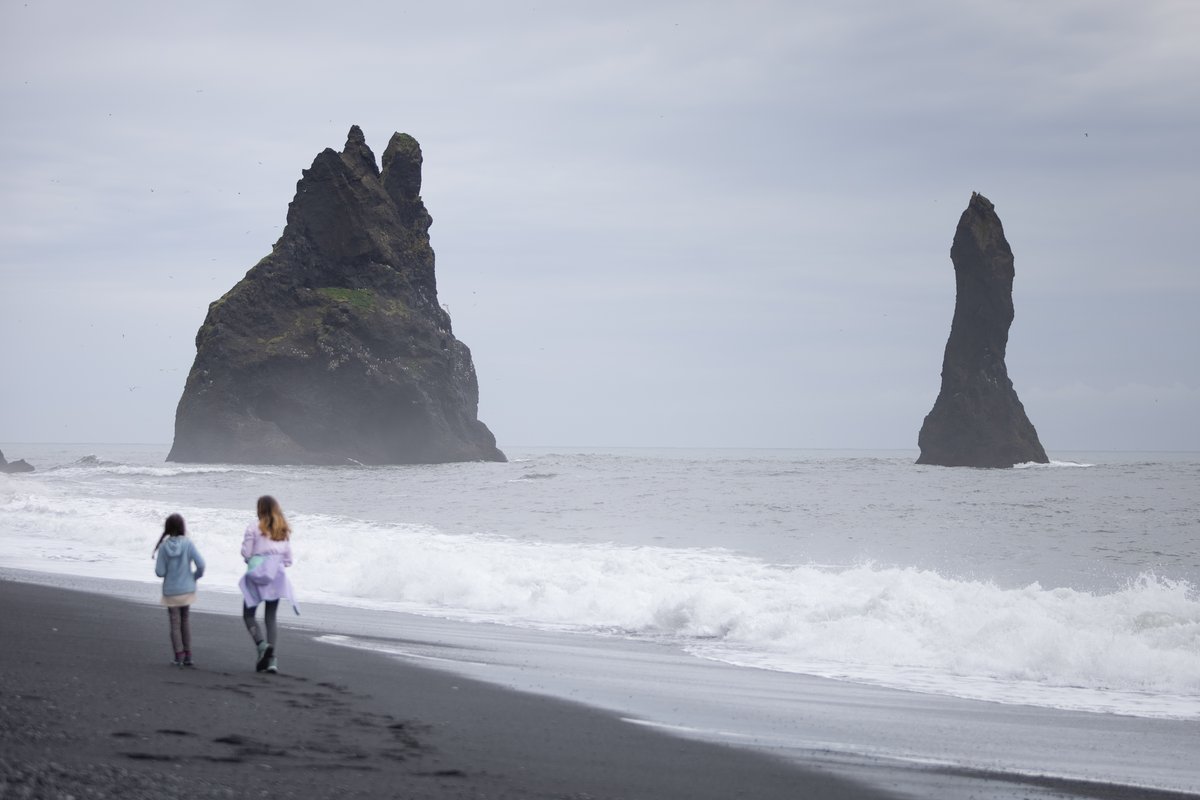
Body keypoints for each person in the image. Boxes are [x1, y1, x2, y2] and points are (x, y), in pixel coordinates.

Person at [238, 495, 297, 673]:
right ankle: (272, 662)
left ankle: (261, 645)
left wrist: (256, 558)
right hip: (276, 576)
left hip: (257, 574)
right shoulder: (283, 530)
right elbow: (288, 560)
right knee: (270, 618)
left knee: (248, 615)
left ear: (260, 509)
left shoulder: (253, 527)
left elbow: (247, 553)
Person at [153, 513, 205, 667]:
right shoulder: (188, 544)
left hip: (171, 591)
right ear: (182, 527)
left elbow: (160, 572)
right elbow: (201, 565)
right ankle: (188, 654)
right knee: (185, 620)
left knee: (175, 623)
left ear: (167, 528)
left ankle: (179, 655)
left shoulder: (163, 547)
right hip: (187, 589)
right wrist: (194, 577)